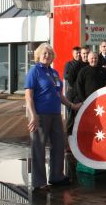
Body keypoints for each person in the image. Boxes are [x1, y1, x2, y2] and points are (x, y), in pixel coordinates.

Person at [25, 43, 81, 191]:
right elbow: (28, 96)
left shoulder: (54, 73)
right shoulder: (34, 71)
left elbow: (59, 94)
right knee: (39, 147)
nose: (47, 55)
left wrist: (71, 105)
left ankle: (56, 176)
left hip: (55, 114)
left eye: (49, 53)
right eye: (44, 53)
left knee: (58, 145)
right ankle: (39, 181)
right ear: (38, 55)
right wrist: (33, 116)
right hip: (40, 115)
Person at [63, 46, 82, 135]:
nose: (78, 54)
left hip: (80, 92)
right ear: (73, 54)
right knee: (70, 115)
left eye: (79, 53)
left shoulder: (83, 64)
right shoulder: (69, 64)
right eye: (76, 53)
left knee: (80, 114)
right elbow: (65, 76)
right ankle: (69, 136)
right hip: (71, 92)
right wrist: (73, 74)